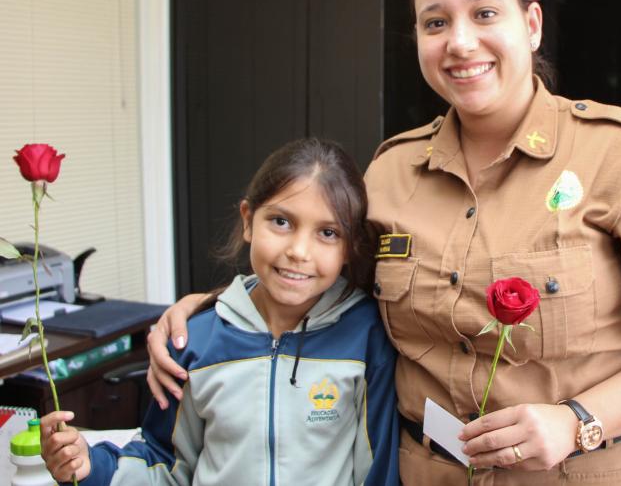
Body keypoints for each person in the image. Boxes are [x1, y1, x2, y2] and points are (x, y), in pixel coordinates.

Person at [147, 0, 621, 484]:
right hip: (424, 470)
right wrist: (207, 313)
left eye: (484, 14)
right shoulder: (391, 172)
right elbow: (323, 286)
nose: (459, 41)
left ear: (530, 25)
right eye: (436, 22)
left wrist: (576, 419)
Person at [40, 138, 399, 485]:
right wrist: (91, 467)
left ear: (351, 246)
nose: (299, 251)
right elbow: (164, 462)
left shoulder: (365, 336)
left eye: (327, 232)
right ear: (248, 220)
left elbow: (378, 469)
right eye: (281, 222)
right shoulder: (196, 339)